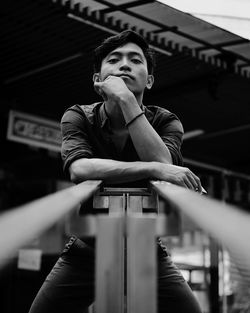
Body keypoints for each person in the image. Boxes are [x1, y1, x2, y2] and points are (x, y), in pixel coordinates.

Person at [29, 30, 202, 313]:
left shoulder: (167, 121)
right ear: (98, 79)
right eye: (115, 59)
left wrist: (127, 101)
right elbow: (79, 168)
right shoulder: (78, 115)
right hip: (87, 251)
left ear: (149, 80)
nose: (124, 65)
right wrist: (153, 168)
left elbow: (165, 165)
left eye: (135, 60)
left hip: (147, 251)